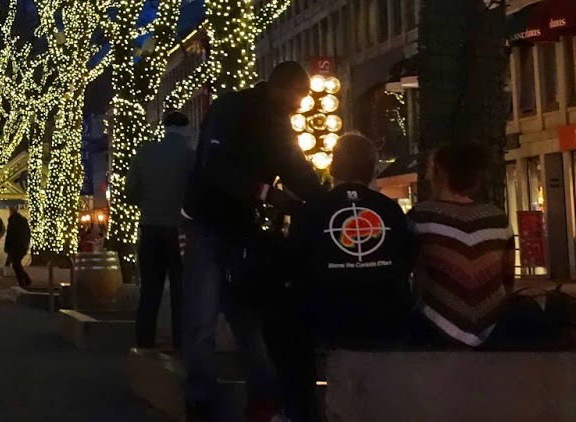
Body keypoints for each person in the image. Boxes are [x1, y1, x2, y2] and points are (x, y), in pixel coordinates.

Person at [181, 60, 324, 422]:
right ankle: (202, 398)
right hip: (210, 223)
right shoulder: (233, 108)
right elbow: (214, 168)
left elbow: (294, 166)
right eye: (299, 97)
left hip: (238, 226)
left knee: (242, 317)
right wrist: (265, 193)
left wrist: (325, 197)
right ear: (282, 86)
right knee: (205, 317)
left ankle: (258, 395)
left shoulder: (275, 121)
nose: (300, 105)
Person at [270, 133, 415, 422]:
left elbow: (290, 266)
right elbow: (406, 260)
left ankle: (297, 410)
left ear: (333, 168)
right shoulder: (391, 210)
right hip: (388, 317)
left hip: (327, 319)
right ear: (373, 168)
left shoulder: (313, 211)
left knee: (280, 320)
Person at [410, 139, 513, 349]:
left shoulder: (421, 217)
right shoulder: (497, 218)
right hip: (495, 329)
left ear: (440, 172)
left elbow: (410, 272)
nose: (428, 176)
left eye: (430, 168)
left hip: (435, 328)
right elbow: (507, 278)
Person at [128, 109, 194, 349]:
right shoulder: (191, 157)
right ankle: (181, 346)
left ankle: (144, 346)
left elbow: (130, 192)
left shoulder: (145, 153)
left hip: (150, 228)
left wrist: (147, 203)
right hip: (179, 231)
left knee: (150, 291)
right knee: (181, 292)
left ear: (163, 128)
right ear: (186, 129)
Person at [4, 204, 32, 288]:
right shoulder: (23, 220)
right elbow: (28, 233)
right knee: (17, 264)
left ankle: (23, 282)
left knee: (16, 265)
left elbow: (10, 235)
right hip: (22, 246)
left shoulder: (12, 220)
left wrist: (7, 246)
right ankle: (26, 280)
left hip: (15, 247)